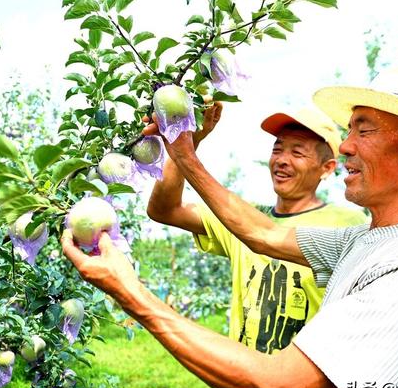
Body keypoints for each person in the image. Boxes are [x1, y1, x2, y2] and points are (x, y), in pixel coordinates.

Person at [61, 66, 398, 388]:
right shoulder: (367, 241)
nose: (345, 145)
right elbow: (262, 232)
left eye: (363, 130)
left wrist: (129, 291)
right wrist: (184, 152)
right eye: (349, 130)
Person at [146, 103, 367, 355]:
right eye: (277, 149)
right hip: (247, 383)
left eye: (297, 153)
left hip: (310, 387)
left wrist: (186, 157)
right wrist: (189, 145)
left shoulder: (348, 223)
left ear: (327, 168)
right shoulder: (242, 218)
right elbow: (164, 210)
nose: (282, 160)